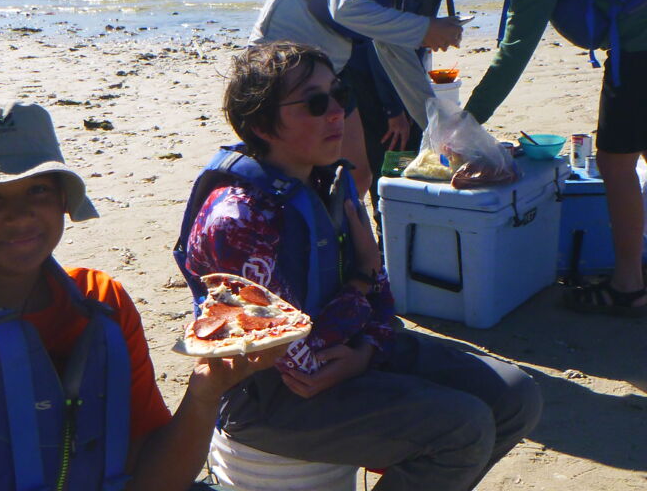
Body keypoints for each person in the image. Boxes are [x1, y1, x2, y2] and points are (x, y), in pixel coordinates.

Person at [0, 101, 284, 490]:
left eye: (38, 189)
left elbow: (153, 478)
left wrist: (205, 394)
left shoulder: (103, 304)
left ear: (62, 201)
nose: (19, 214)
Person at [175, 42, 543, 490]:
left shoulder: (329, 179)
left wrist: (367, 343)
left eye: (340, 95)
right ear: (261, 126)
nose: (336, 113)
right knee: (461, 429)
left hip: (350, 351)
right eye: (314, 103)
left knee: (515, 396)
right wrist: (362, 277)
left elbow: (380, 295)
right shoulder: (239, 222)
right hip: (266, 397)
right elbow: (294, 363)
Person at [461, 0, 647, 316]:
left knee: (617, 162)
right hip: (638, 39)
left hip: (639, 48)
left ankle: (628, 286)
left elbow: (516, 48)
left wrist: (470, 120)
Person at [251, 0, 479, 216]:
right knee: (292, 177)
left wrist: (440, 129)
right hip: (282, 66)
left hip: (330, 71)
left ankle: (345, 254)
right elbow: (346, 7)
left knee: (358, 176)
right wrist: (424, 28)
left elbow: (392, 47)